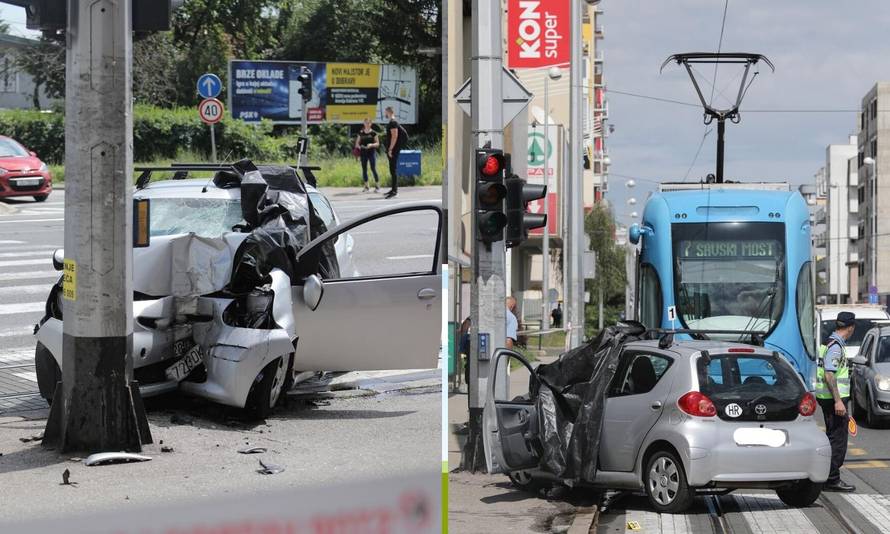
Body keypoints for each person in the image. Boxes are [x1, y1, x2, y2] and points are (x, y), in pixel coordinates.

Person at [815, 311, 856, 492]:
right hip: (833, 399)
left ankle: (827, 476)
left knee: (833, 436)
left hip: (827, 397)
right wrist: (838, 401)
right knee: (838, 440)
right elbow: (829, 374)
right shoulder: (836, 346)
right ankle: (831, 479)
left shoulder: (828, 342)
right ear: (851, 327)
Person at [354, 118, 380, 192]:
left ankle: (377, 186)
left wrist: (371, 145)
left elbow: (378, 144)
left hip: (371, 153)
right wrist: (359, 147)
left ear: (371, 124)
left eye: (368, 123)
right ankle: (366, 186)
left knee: (373, 169)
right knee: (364, 169)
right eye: (366, 123)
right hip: (363, 153)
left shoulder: (373, 133)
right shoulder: (361, 133)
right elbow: (357, 143)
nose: (367, 124)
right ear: (364, 124)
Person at [383, 106, 403, 199]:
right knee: (392, 169)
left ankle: (395, 191)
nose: (385, 114)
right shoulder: (392, 122)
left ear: (389, 112)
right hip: (393, 149)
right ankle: (393, 189)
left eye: (385, 112)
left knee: (393, 170)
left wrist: (390, 149)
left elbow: (394, 136)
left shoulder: (393, 122)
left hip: (393, 150)